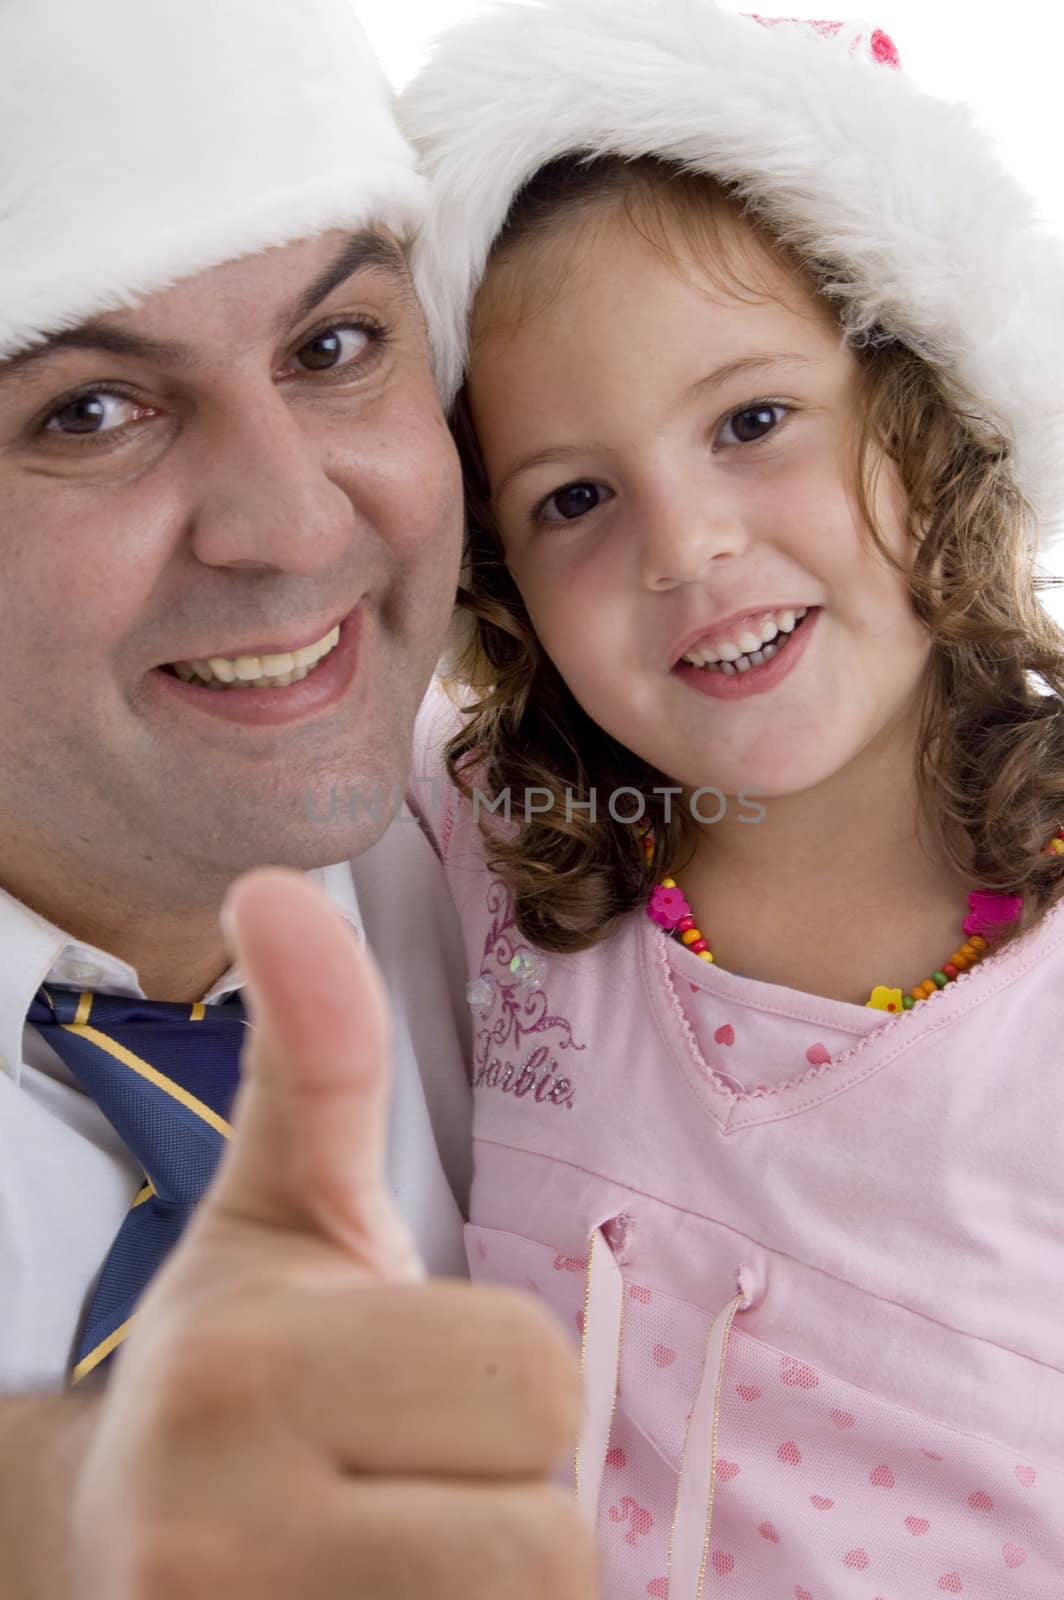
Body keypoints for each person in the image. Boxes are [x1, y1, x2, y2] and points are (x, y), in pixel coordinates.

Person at [400, 3, 1064, 1594]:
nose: (685, 545)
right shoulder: (498, 852)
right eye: (574, 497)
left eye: (753, 422)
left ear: (927, 409)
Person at [0, 2, 595, 1596]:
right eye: (87, 411)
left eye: (333, 349)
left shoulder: (575, 888)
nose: (286, 525)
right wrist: (60, 1513)